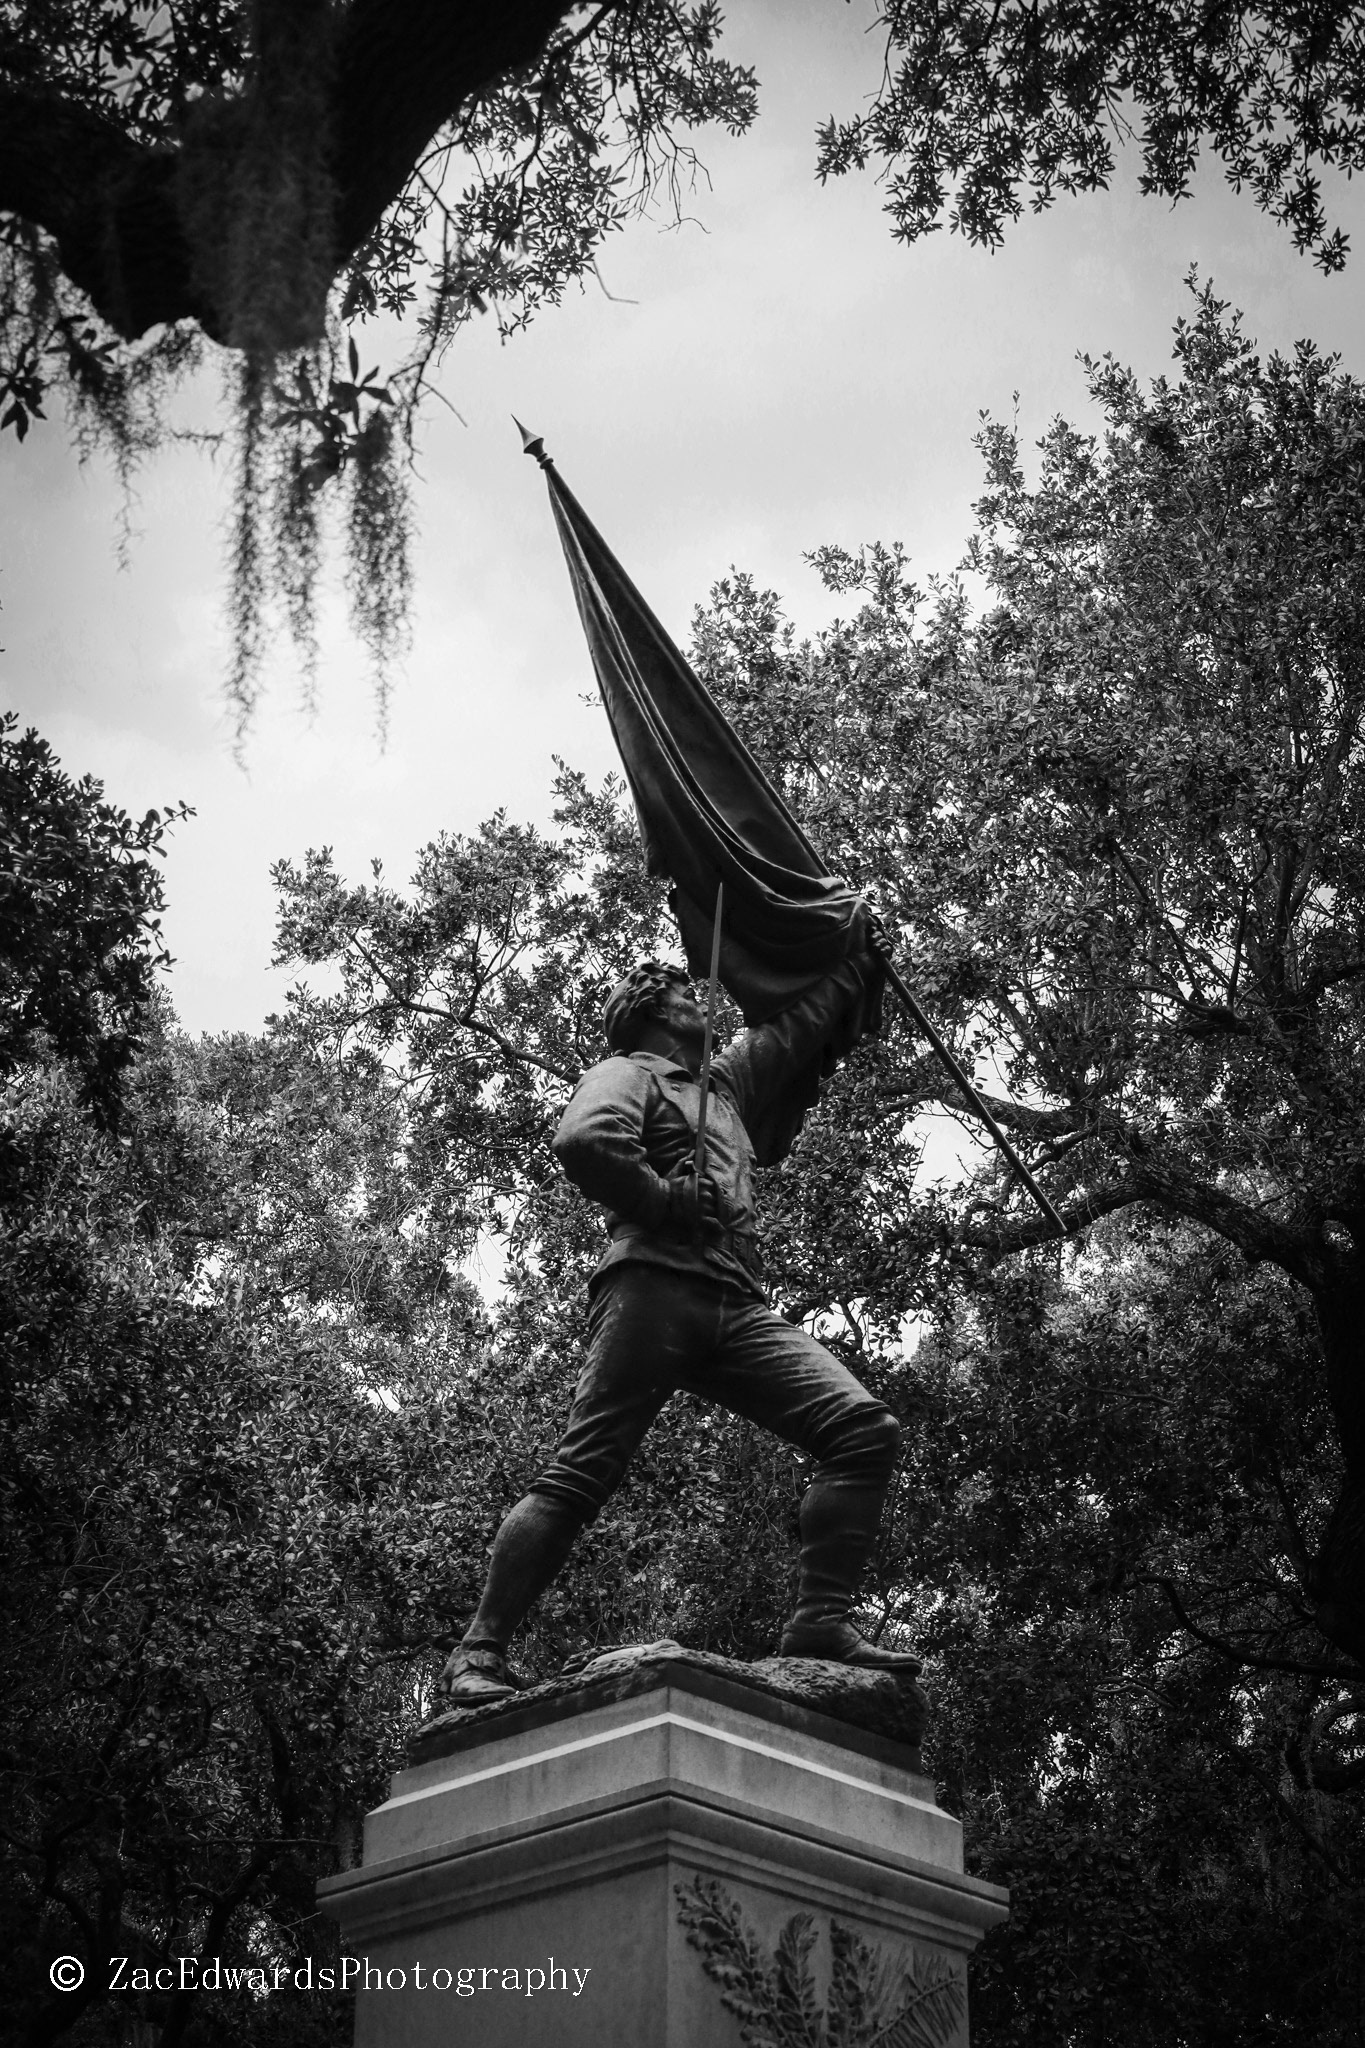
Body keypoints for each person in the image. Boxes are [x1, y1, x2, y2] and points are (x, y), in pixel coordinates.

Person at [438, 935, 918, 1704]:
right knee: (581, 1472)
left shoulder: (723, 1089)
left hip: (735, 1300)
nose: (704, 1003)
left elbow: (795, 1025)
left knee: (863, 1431)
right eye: (687, 997)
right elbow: (584, 1140)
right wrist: (661, 1198)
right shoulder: (627, 1071)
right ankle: (478, 1652)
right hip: (653, 1288)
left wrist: (853, 961)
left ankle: (818, 1622)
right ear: (655, 1014)